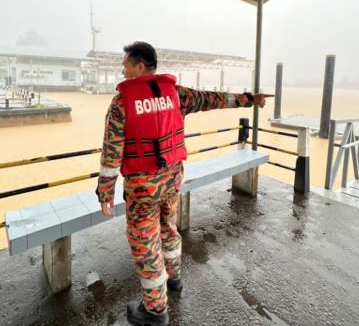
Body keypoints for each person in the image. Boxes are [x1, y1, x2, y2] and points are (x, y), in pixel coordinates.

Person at [97, 41, 270, 326]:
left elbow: (111, 152)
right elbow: (214, 99)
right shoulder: (176, 94)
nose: (122, 69)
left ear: (140, 66)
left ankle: (155, 310)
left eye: (126, 64)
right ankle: (174, 279)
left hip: (143, 189)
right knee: (168, 227)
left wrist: (105, 191)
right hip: (173, 179)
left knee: (145, 244)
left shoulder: (121, 102)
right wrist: (250, 99)